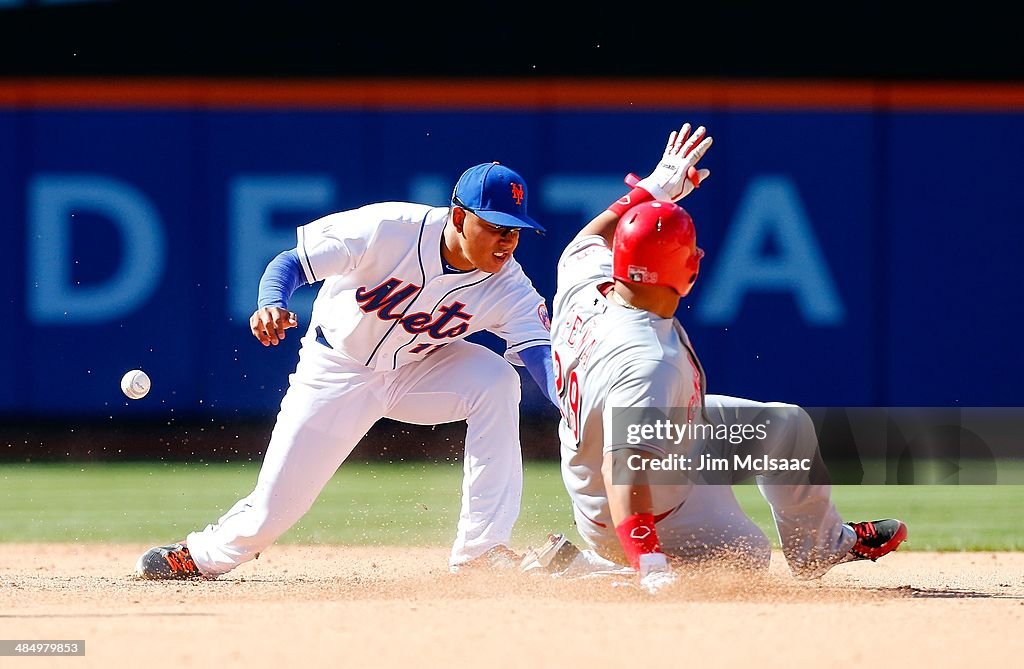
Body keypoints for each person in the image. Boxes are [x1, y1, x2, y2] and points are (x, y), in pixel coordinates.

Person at [136, 161, 559, 580]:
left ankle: (481, 551)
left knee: (497, 381)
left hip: (419, 369)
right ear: (461, 217)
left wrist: (574, 412)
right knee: (275, 509)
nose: (507, 242)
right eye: (497, 228)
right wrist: (272, 301)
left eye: (515, 231)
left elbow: (543, 358)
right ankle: (200, 554)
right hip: (337, 368)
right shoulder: (389, 227)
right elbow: (291, 264)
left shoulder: (510, 287)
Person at [537, 123, 907, 593]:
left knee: (785, 427)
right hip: (635, 507)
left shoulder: (587, 282)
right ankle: (596, 569)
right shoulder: (647, 360)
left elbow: (588, 239)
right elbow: (623, 468)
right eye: (692, 250)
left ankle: (821, 545)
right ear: (683, 270)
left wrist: (656, 188)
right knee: (744, 558)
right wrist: (651, 564)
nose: (702, 253)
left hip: (670, 435)